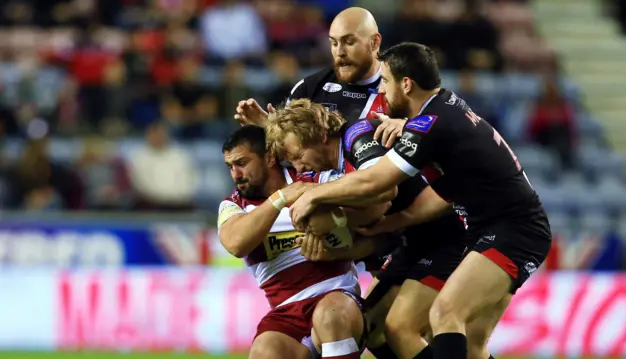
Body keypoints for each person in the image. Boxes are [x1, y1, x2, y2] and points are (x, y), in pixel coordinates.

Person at [289, 42, 553, 359]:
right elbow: (446, 185)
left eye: (385, 82)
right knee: (470, 345)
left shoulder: (432, 125)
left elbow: (377, 181)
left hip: (512, 231)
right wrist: (396, 220)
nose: (382, 93)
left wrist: (313, 194)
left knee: (444, 313)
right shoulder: (442, 109)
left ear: (406, 84)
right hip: (493, 229)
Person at [266, 99, 483, 359]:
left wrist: (313, 196)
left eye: (299, 156)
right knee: (372, 328)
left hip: (447, 234)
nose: (299, 168)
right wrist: (334, 250)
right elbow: (377, 231)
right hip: (412, 241)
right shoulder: (336, 172)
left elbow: (382, 192)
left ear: (321, 136)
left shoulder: (357, 135)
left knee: (401, 328)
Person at [218, 125, 389, 359]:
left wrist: (334, 226)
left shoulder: (314, 178)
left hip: (337, 295)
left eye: (242, 163)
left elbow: (379, 207)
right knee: (264, 352)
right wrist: (281, 198)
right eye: (230, 167)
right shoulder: (234, 205)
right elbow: (236, 244)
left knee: (331, 317)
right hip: (286, 312)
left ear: (268, 157)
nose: (235, 174)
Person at [234, 7, 405, 146]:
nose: (340, 52)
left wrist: (407, 128)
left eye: (349, 42)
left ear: (375, 42)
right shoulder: (310, 88)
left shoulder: (404, 88)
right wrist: (269, 130)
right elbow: (292, 154)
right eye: (334, 43)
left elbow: (429, 131)